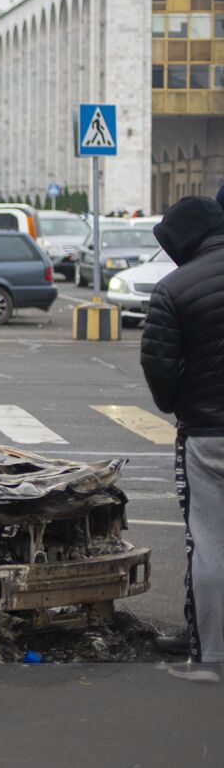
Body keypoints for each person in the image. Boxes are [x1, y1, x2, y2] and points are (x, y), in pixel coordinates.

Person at [141, 194, 224, 682]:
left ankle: (212, 661)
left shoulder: (173, 289)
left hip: (209, 435)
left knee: (211, 544)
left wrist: (179, 403)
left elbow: (161, 374)